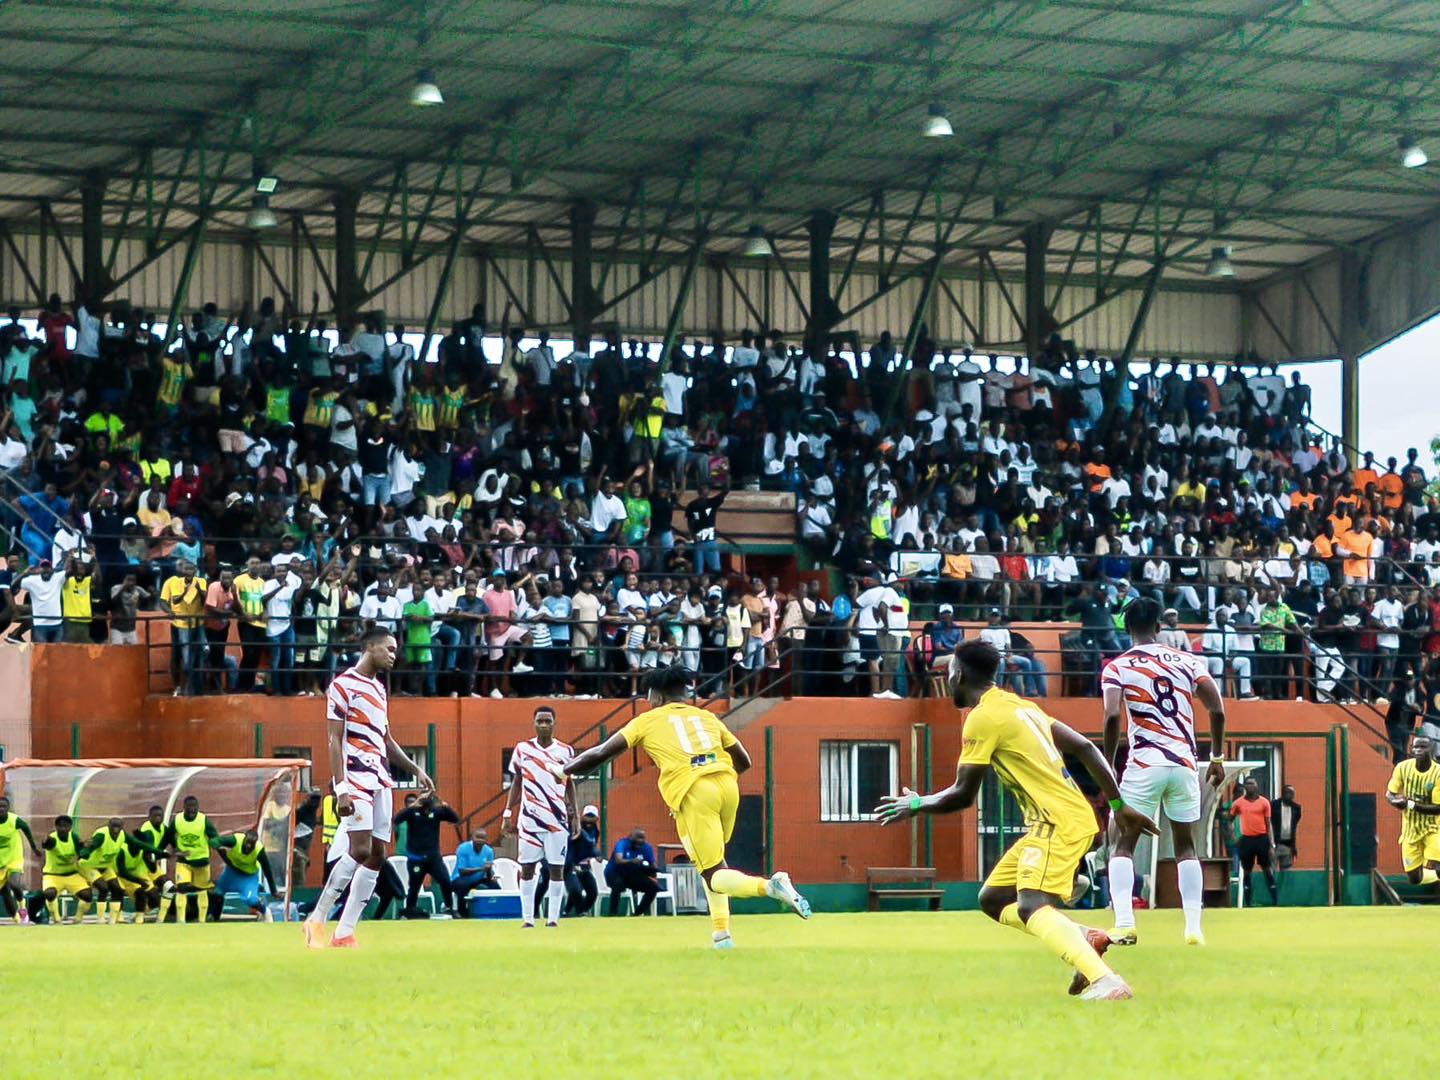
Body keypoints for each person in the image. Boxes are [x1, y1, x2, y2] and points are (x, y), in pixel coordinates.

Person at [874, 640, 1156, 1001]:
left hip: (1056, 822)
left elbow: (963, 794)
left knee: (1030, 905)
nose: (947, 680)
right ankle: (1086, 936)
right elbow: (1086, 747)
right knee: (993, 899)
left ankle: (1105, 980)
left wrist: (915, 804)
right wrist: (1118, 804)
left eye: (948, 673)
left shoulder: (983, 717)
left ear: (959, 675)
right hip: (1060, 819)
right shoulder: (1022, 707)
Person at [564, 664, 810, 948]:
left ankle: (770, 886)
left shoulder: (648, 720)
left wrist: (564, 770)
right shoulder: (707, 717)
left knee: (713, 874)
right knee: (714, 861)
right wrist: (716, 777)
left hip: (694, 792)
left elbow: (603, 752)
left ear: (656, 696)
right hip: (727, 786)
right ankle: (721, 935)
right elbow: (744, 760)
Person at [1101, 597, 1226, 947]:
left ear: (1127, 629)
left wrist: (1108, 762)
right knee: (1187, 846)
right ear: (1160, 626)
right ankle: (1193, 928)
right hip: (1184, 763)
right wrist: (1215, 756)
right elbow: (1217, 709)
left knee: (1121, 842)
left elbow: (1112, 716)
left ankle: (1125, 923)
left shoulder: (1116, 667)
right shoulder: (1188, 661)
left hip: (1144, 763)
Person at [305, 627, 435, 948]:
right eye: (389, 649)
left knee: (378, 854)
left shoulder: (379, 689)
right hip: (355, 778)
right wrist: (341, 788)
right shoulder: (342, 685)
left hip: (380, 779)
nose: (394, 655)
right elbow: (334, 740)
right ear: (371, 647)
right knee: (359, 849)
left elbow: (386, 740)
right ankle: (317, 920)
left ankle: (345, 932)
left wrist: (416, 768)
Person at [501, 705, 578, 928]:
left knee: (556, 869)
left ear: (555, 723)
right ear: (533, 723)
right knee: (527, 868)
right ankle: (527, 919)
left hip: (557, 821)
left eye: (548, 721)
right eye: (540, 721)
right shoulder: (522, 749)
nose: (544, 725)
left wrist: (575, 815)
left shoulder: (566, 751)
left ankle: (553, 918)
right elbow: (516, 782)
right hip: (529, 819)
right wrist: (507, 812)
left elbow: (569, 783)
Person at [1385, 734, 1440, 886]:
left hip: (1434, 828)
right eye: (1416, 747)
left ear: (1431, 749)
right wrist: (1395, 801)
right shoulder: (1403, 768)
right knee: (1415, 879)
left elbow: (1438, 809)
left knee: (1438, 866)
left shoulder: (1438, 773)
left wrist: (1410, 804)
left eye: (1423, 747)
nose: (1418, 750)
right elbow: (1390, 793)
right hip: (1410, 830)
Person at [394, 792, 458, 918]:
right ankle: (410, 909)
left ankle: (448, 907)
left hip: (433, 857)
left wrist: (446, 806)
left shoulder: (436, 812)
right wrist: (412, 806)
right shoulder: (412, 813)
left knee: (445, 880)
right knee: (415, 885)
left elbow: (454, 819)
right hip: (416, 857)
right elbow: (397, 819)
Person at [160, 794, 220, 923]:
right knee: (181, 887)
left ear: (198, 807)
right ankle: (181, 920)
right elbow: (168, 836)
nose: (192, 810)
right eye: (189, 807)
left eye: (194, 807)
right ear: (184, 807)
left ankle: (201, 921)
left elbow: (215, 836)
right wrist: (173, 849)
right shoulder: (178, 820)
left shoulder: (203, 820)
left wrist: (216, 844)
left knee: (202, 890)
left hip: (201, 862)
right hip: (184, 862)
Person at [1229, 777, 1278, 905]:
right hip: (1247, 839)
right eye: (1248, 784)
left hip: (1262, 838)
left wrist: (1271, 844)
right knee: (1247, 870)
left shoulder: (1264, 802)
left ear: (1256, 786)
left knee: (1266, 868)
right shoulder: (1238, 803)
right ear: (1245, 787)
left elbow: (1269, 824)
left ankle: (1274, 899)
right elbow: (1230, 820)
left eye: (1252, 784)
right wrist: (1234, 837)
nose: (1250, 786)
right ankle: (1248, 901)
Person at [41, 815, 96, 925]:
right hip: (53, 875)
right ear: (56, 827)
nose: (63, 829)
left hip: (71, 874)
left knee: (87, 895)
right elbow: (47, 844)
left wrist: (86, 847)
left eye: (66, 826)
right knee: (50, 893)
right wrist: (45, 841)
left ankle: (78, 918)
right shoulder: (52, 838)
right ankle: (56, 919)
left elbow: (83, 851)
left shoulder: (74, 837)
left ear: (70, 827)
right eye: (60, 826)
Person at [215, 829, 278, 920]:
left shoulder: (259, 850)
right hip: (231, 873)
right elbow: (217, 841)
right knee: (217, 892)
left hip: (248, 876)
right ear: (244, 839)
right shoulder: (235, 840)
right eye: (247, 842)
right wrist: (215, 845)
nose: (248, 846)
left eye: (252, 844)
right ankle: (215, 918)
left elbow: (267, 870)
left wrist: (273, 891)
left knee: (251, 900)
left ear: (255, 843)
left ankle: (265, 911)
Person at [604, 828, 660, 916]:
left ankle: (636, 914)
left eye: (642, 838)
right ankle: (612, 913)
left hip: (632, 874)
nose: (640, 840)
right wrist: (632, 861)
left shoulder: (647, 847)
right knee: (618, 885)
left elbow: (653, 865)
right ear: (630, 837)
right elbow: (619, 860)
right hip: (615, 873)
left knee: (653, 888)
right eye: (638, 837)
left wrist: (654, 876)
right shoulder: (622, 843)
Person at [0, 796, 39, 923]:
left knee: (14, 884)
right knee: (5, 892)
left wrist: (33, 847)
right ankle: (16, 919)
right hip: (1, 862)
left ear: (8, 808)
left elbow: (26, 828)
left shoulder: (14, 820)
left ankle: (23, 909)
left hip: (14, 858)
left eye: (3, 806)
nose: (1, 809)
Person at [564, 804, 602, 916]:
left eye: (592, 817)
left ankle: (580, 912)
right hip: (572, 865)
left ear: (597, 818)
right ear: (582, 817)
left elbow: (591, 846)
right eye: (587, 816)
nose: (589, 820)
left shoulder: (595, 831)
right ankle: (574, 912)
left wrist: (595, 855)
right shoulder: (576, 828)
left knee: (593, 892)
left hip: (585, 866)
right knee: (576, 889)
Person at [451, 829, 498, 916]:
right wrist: (481, 869)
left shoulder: (489, 851)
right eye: (477, 837)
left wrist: (489, 871)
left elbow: (488, 875)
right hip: (459, 878)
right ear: (472, 838)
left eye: (482, 838)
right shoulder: (463, 848)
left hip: (478, 879)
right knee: (463, 885)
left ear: (486, 840)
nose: (480, 840)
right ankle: (461, 911)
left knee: (495, 886)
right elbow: (462, 872)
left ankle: (494, 910)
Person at [1273, 784, 1302, 869]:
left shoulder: (1296, 808)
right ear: (1283, 793)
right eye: (1288, 792)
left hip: (1288, 845)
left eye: (1292, 793)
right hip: (1274, 844)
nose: (1290, 794)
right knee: (1271, 871)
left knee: (1287, 872)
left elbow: (1294, 825)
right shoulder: (1274, 805)